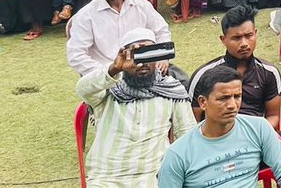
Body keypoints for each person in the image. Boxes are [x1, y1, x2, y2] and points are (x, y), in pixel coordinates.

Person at [76, 27, 195, 188]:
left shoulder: (172, 90)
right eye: (137, 55)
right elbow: (82, 89)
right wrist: (114, 69)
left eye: (149, 54)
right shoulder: (108, 87)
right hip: (106, 177)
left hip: (153, 175)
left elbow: (187, 136)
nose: (143, 63)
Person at [159, 65, 281, 188]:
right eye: (223, 98)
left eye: (237, 96)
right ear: (202, 102)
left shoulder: (259, 128)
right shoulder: (178, 153)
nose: (232, 105)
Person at [67, 0, 171, 76]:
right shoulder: (86, 15)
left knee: (179, 82)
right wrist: (108, 72)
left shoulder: (142, 6)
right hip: (107, 76)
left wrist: (162, 57)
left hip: (142, 71)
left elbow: (162, 31)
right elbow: (76, 54)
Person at [188, 5, 281, 128]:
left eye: (249, 35)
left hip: (256, 139)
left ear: (256, 34)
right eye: (236, 38)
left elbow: (273, 116)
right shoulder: (203, 75)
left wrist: (258, 136)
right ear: (223, 40)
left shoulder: (269, 72)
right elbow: (192, 122)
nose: (244, 43)